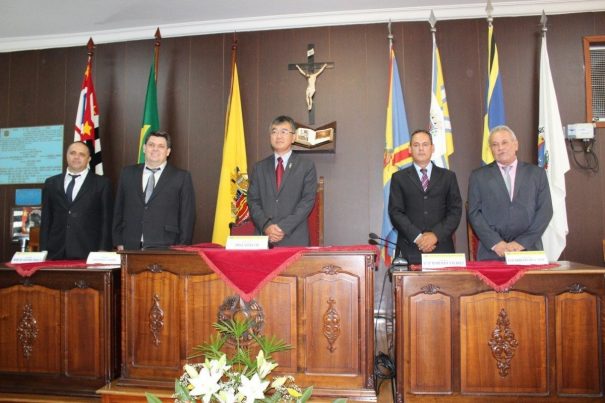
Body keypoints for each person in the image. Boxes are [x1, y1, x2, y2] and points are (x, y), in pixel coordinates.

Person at [468, 125, 553, 261]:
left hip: (529, 250)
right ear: (491, 150)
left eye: (504, 142)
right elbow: (474, 213)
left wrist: (521, 243)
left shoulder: (537, 174)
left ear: (516, 145)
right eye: (495, 145)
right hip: (492, 253)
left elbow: (545, 211)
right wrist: (496, 243)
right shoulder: (478, 176)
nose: (500, 148)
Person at [388, 129, 462, 264]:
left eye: (425, 144)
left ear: (432, 148)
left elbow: (455, 211)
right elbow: (395, 212)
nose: (421, 149)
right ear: (410, 149)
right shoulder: (399, 178)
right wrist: (418, 237)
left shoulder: (448, 176)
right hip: (410, 248)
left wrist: (435, 235)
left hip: (442, 247)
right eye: (416, 145)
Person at [112, 131, 195, 250]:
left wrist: (183, 247)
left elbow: (187, 216)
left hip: (167, 245)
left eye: (161, 146)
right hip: (129, 244)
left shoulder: (181, 177)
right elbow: (118, 209)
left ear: (168, 151)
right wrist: (118, 241)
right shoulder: (127, 173)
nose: (155, 149)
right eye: (151, 145)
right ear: (144, 148)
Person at [247, 115, 317, 246]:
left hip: (295, 239)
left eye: (284, 131)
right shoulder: (259, 168)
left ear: (294, 137)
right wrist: (267, 226)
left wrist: (282, 228)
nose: (278, 136)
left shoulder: (306, 166)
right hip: (264, 239)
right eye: (274, 132)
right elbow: (253, 201)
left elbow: (307, 201)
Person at [40, 141, 113, 259]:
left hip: (88, 251)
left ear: (89, 159)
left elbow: (106, 220)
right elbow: (46, 219)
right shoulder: (51, 183)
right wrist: (43, 250)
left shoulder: (102, 184)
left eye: (81, 154)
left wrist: (103, 250)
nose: (76, 157)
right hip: (55, 251)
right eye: (72, 153)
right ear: (66, 156)